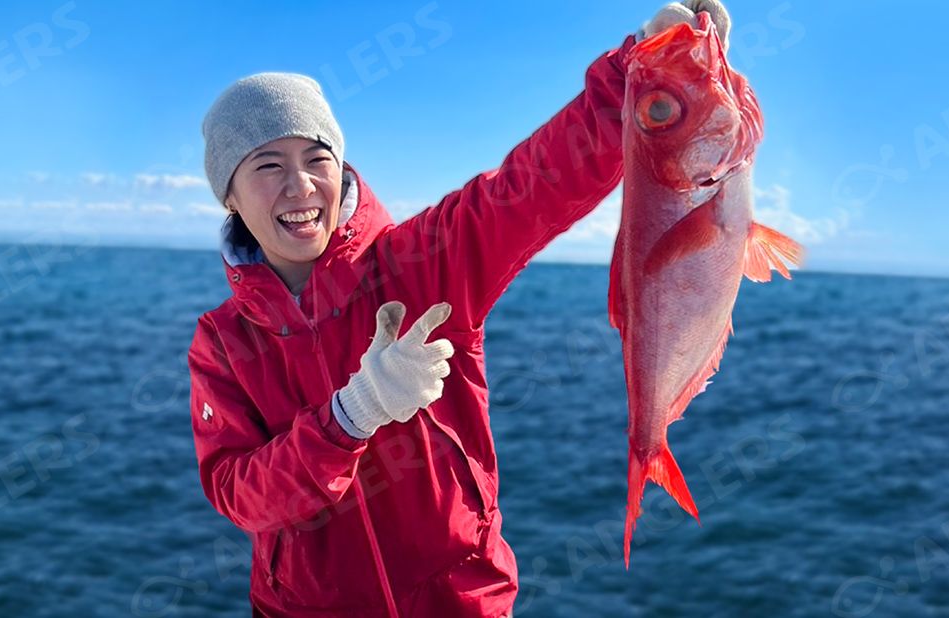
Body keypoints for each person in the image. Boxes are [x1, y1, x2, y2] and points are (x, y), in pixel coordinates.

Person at [187, 2, 731, 616]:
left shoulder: (424, 261)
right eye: (267, 166)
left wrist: (650, 67)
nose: (302, 185)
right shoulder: (222, 342)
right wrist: (351, 415)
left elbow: (533, 183)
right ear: (228, 193)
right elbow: (240, 494)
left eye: (318, 160)